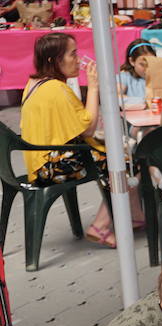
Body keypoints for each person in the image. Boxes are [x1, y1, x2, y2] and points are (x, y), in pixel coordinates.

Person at [20, 32, 141, 249]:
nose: (79, 60)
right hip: (50, 166)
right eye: (73, 54)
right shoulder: (56, 89)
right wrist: (93, 87)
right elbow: (88, 127)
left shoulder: (35, 84)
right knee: (124, 162)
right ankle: (101, 226)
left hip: (39, 160)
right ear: (54, 60)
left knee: (117, 156)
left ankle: (134, 216)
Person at [117, 40, 156, 110]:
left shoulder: (160, 75)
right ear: (132, 61)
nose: (147, 68)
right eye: (142, 64)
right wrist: (145, 102)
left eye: (151, 63)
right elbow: (115, 97)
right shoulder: (125, 76)